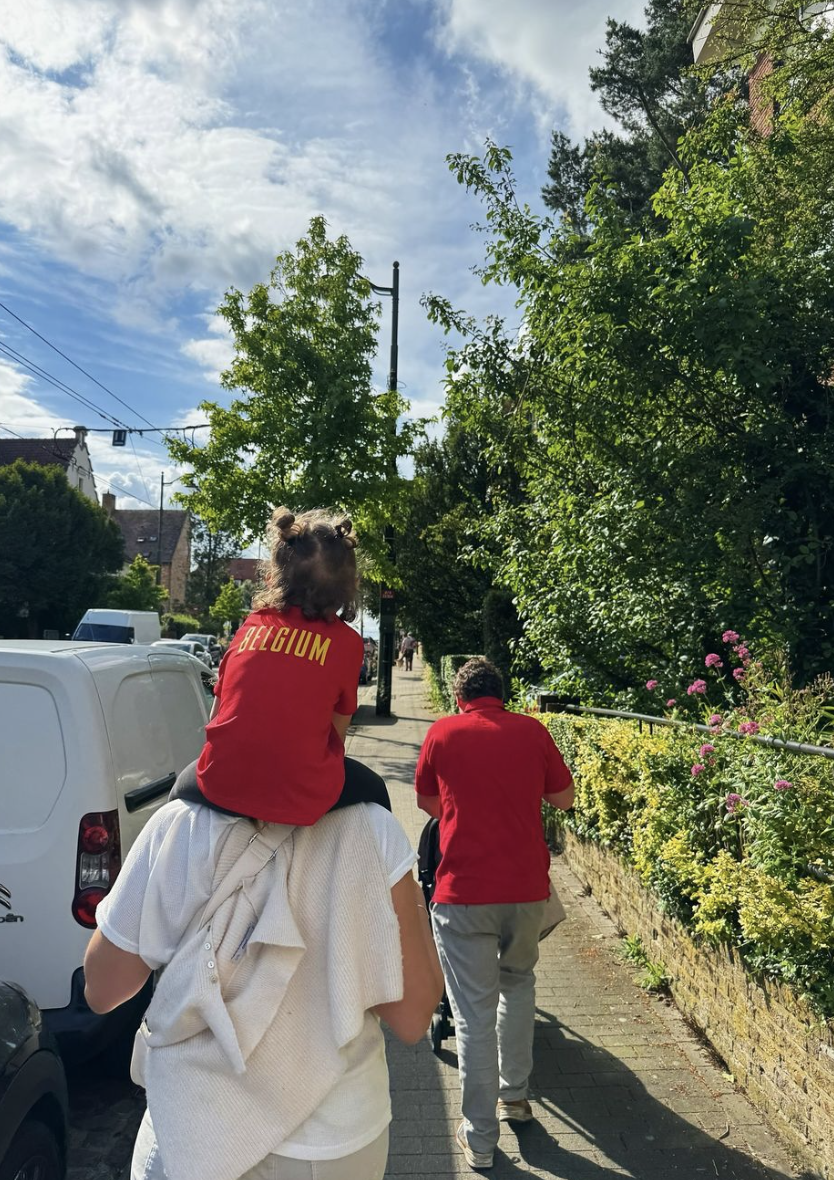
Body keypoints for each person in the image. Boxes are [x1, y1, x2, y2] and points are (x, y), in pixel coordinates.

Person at [84, 795, 445, 1180]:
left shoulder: (177, 823)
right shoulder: (372, 828)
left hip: (192, 1135)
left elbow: (102, 990)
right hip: (332, 1145)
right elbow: (413, 1017)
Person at [415, 657, 574, 1171]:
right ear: (501, 694)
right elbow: (564, 798)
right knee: (519, 983)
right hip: (526, 890)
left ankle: (480, 1138)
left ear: (460, 696)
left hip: (463, 893)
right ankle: (515, 1097)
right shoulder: (533, 731)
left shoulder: (443, 733)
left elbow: (427, 804)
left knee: (473, 1013)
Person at [172, 507, 387, 823]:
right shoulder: (348, 644)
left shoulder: (251, 625)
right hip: (302, 800)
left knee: (177, 792)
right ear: (348, 587)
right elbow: (335, 742)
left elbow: (215, 717)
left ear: (274, 576)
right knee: (377, 789)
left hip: (220, 784)